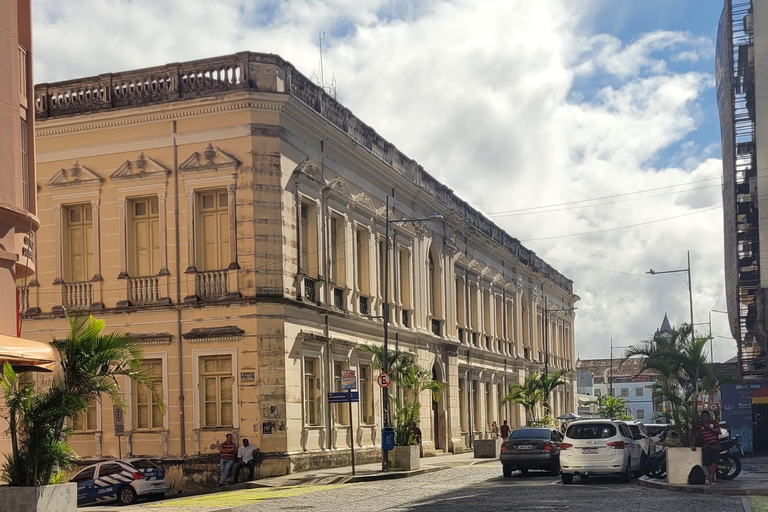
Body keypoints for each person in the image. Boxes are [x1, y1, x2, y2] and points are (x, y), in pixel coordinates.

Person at [691, 410, 721, 485]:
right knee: (707, 463)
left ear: (709, 416)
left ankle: (710, 478)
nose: (704, 418)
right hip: (706, 445)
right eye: (703, 416)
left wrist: (708, 427)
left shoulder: (713, 422)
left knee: (715, 461)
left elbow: (718, 431)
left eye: (706, 416)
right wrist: (692, 444)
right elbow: (693, 434)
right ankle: (712, 479)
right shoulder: (698, 425)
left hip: (715, 444)